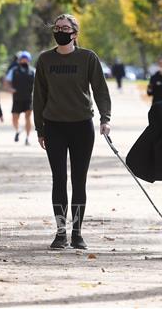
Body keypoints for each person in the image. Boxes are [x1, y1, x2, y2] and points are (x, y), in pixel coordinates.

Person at [33, 14, 111, 250]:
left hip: (81, 126)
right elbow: (39, 95)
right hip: (54, 126)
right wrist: (39, 128)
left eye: (65, 28)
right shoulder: (45, 60)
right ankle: (60, 233)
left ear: (75, 33)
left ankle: (77, 233)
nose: (60, 31)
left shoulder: (87, 58)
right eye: (57, 28)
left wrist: (105, 119)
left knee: (79, 181)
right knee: (59, 179)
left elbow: (100, 90)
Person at [5, 50, 35, 145]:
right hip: (17, 98)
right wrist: (10, 89)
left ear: (29, 60)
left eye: (26, 59)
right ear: (19, 60)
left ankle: (27, 138)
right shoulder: (13, 71)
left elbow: (39, 83)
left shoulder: (33, 71)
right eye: (22, 59)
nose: (24, 61)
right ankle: (18, 130)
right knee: (14, 118)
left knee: (28, 117)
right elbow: (6, 82)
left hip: (28, 98)